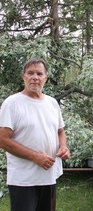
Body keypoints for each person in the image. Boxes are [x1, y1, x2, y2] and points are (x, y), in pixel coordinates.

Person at [0, 58, 70, 211]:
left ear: (46, 78)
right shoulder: (12, 103)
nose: (35, 77)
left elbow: (60, 131)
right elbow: (3, 140)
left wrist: (63, 146)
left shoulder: (52, 103)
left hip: (49, 175)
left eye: (39, 73)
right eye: (30, 73)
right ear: (23, 76)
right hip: (23, 179)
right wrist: (36, 157)